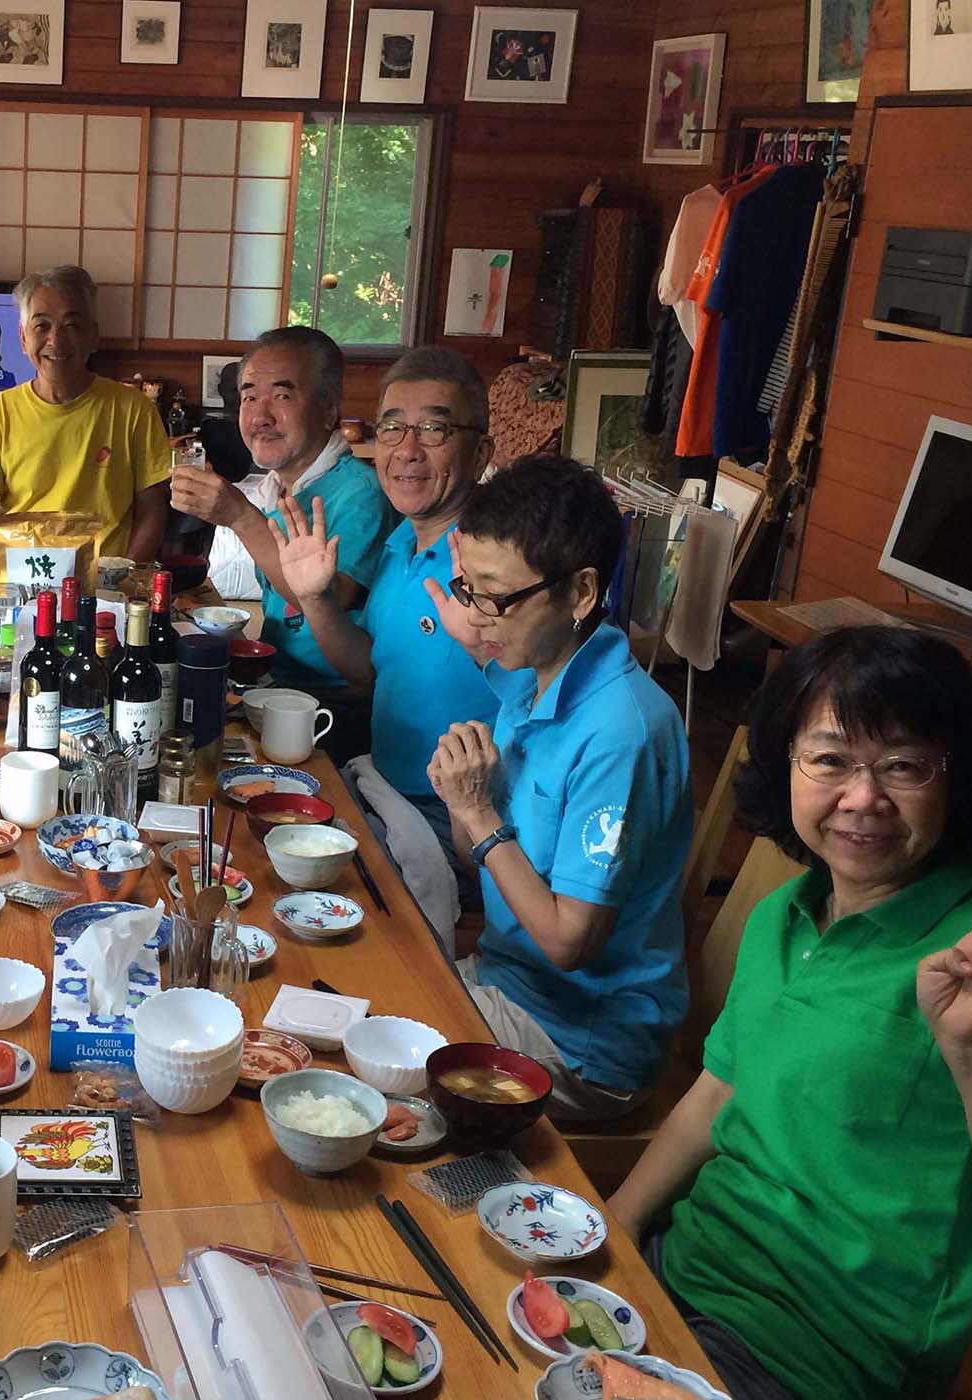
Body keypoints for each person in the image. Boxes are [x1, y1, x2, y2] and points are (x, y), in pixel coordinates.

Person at [610, 626, 972, 1400]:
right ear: (786, 764)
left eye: (904, 766)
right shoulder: (782, 915)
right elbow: (716, 1094)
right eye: (829, 760)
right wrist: (611, 1228)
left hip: (818, 1358)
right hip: (683, 1272)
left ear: (958, 778)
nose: (863, 798)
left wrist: (971, 1051)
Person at [413, 455, 692, 1120]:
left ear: (582, 592)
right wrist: (463, 802)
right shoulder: (531, 677)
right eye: (467, 588)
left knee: (372, 1063)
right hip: (502, 980)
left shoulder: (621, 733)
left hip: (579, 1041)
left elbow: (570, 943)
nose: (479, 617)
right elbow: (478, 860)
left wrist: (479, 812)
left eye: (496, 597)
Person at [269, 347, 500, 913]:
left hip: (459, 826)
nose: (407, 450)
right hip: (382, 788)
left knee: (289, 889)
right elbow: (370, 670)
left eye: (434, 429)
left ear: (480, 453)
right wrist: (314, 597)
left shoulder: (498, 564)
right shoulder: (402, 545)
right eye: (393, 428)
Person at [169, 327, 395, 744]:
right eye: (249, 397)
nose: (260, 416)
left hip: (329, 707)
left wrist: (239, 515)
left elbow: (324, 597)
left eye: (282, 395)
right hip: (273, 682)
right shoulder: (280, 486)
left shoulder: (359, 494)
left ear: (328, 409)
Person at [0, 265, 171, 563]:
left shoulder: (135, 409)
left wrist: (124, 574)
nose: (56, 340)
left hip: (105, 582)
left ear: (93, 335)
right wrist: (10, 574)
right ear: (23, 339)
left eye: (71, 325)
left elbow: (152, 510)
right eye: (41, 326)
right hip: (22, 579)